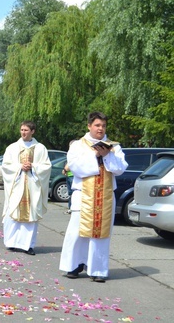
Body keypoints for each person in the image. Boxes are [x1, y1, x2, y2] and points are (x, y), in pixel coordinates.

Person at [59, 111, 128, 283]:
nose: (101, 129)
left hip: (105, 196)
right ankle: (73, 265)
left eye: (103, 126)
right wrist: (95, 155)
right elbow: (74, 166)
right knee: (77, 232)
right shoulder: (78, 145)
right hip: (83, 194)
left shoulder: (114, 146)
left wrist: (107, 155)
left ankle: (97, 269)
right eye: (97, 125)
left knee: (101, 234)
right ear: (89, 126)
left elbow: (121, 168)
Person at [1, 120, 51, 256]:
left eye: (26, 130)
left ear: (32, 131)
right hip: (16, 186)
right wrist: (19, 167)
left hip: (32, 186)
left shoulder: (40, 148)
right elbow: (5, 165)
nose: (23, 132)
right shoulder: (12, 147)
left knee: (31, 214)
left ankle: (28, 245)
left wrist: (33, 167)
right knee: (13, 212)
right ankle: (11, 242)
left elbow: (47, 167)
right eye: (22, 130)